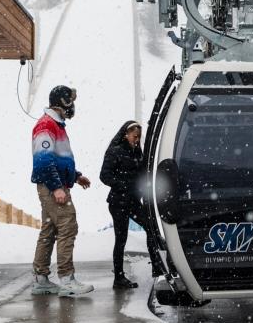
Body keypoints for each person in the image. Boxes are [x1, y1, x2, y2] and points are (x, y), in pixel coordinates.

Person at [30, 85, 94, 297]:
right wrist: (57, 187)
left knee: (49, 231)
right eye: (70, 101)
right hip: (52, 186)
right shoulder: (46, 126)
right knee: (68, 225)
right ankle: (67, 279)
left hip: (54, 184)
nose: (72, 106)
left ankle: (41, 279)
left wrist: (75, 176)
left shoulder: (57, 125)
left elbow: (59, 159)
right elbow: (44, 161)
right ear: (61, 102)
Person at [100, 120, 166, 288]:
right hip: (118, 201)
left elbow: (143, 174)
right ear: (126, 135)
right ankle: (119, 278)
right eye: (134, 137)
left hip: (133, 201)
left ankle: (157, 268)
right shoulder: (115, 151)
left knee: (151, 228)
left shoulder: (138, 152)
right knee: (121, 238)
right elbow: (104, 176)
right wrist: (124, 185)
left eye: (138, 137)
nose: (137, 140)